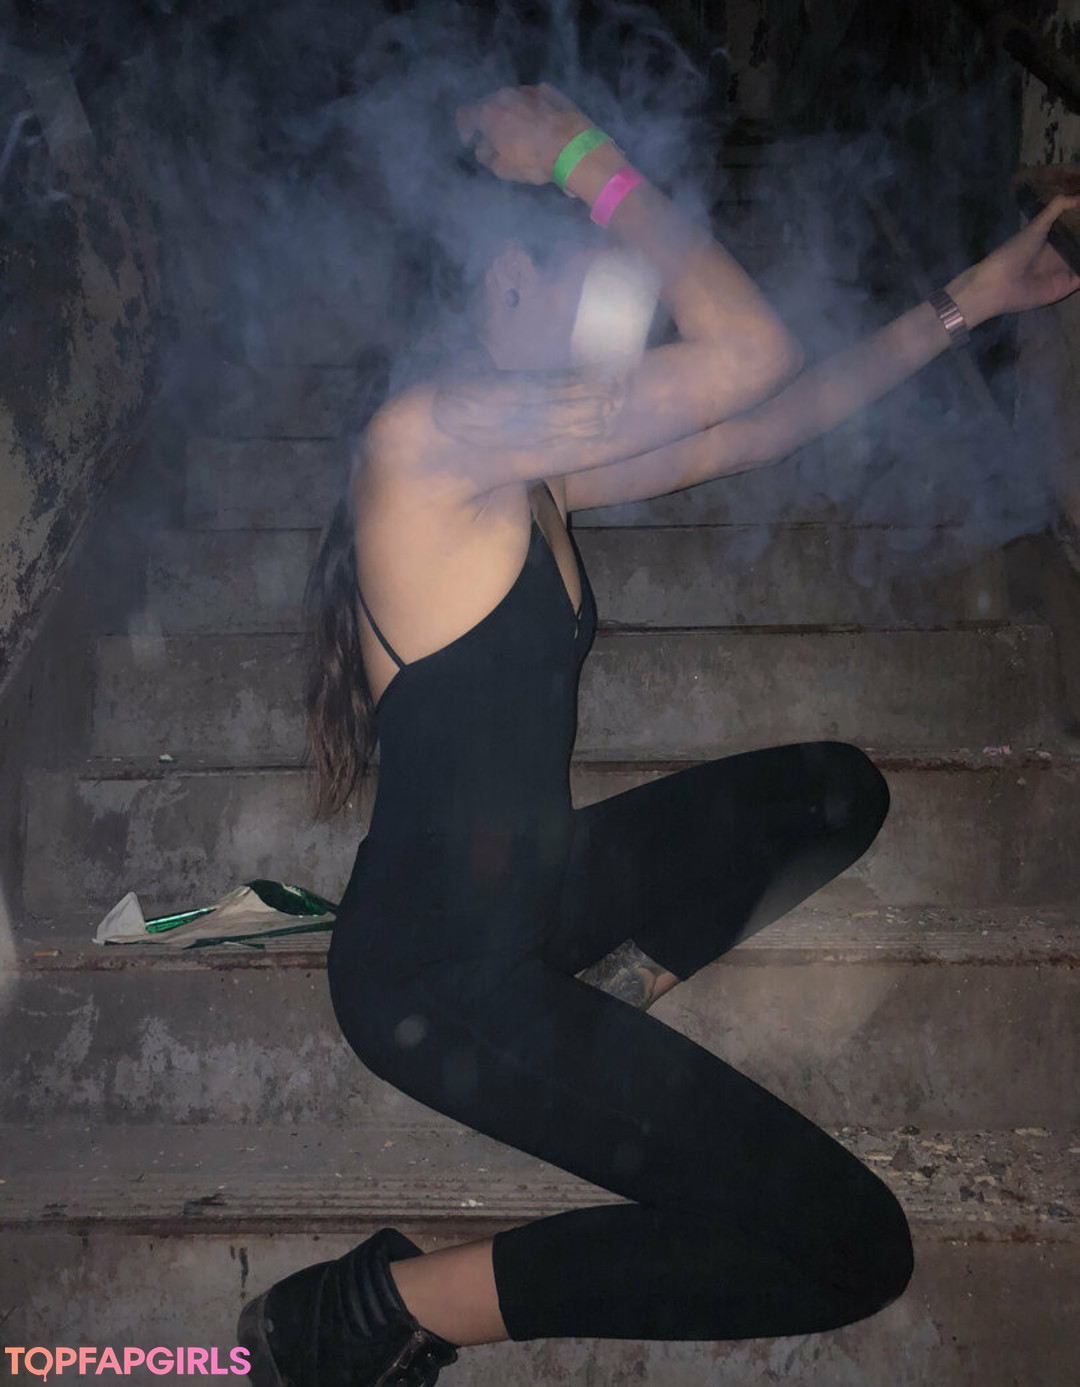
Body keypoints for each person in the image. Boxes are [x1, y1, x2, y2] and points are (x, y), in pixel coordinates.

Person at [237, 84, 1080, 1387]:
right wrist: (587, 157)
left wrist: (971, 298)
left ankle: (611, 996)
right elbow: (748, 352)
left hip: (537, 896)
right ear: (501, 276)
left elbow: (771, 419)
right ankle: (375, 1312)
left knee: (834, 793)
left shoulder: (526, 468)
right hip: (437, 978)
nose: (612, 300)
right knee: (851, 1248)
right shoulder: (424, 440)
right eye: (581, 268)